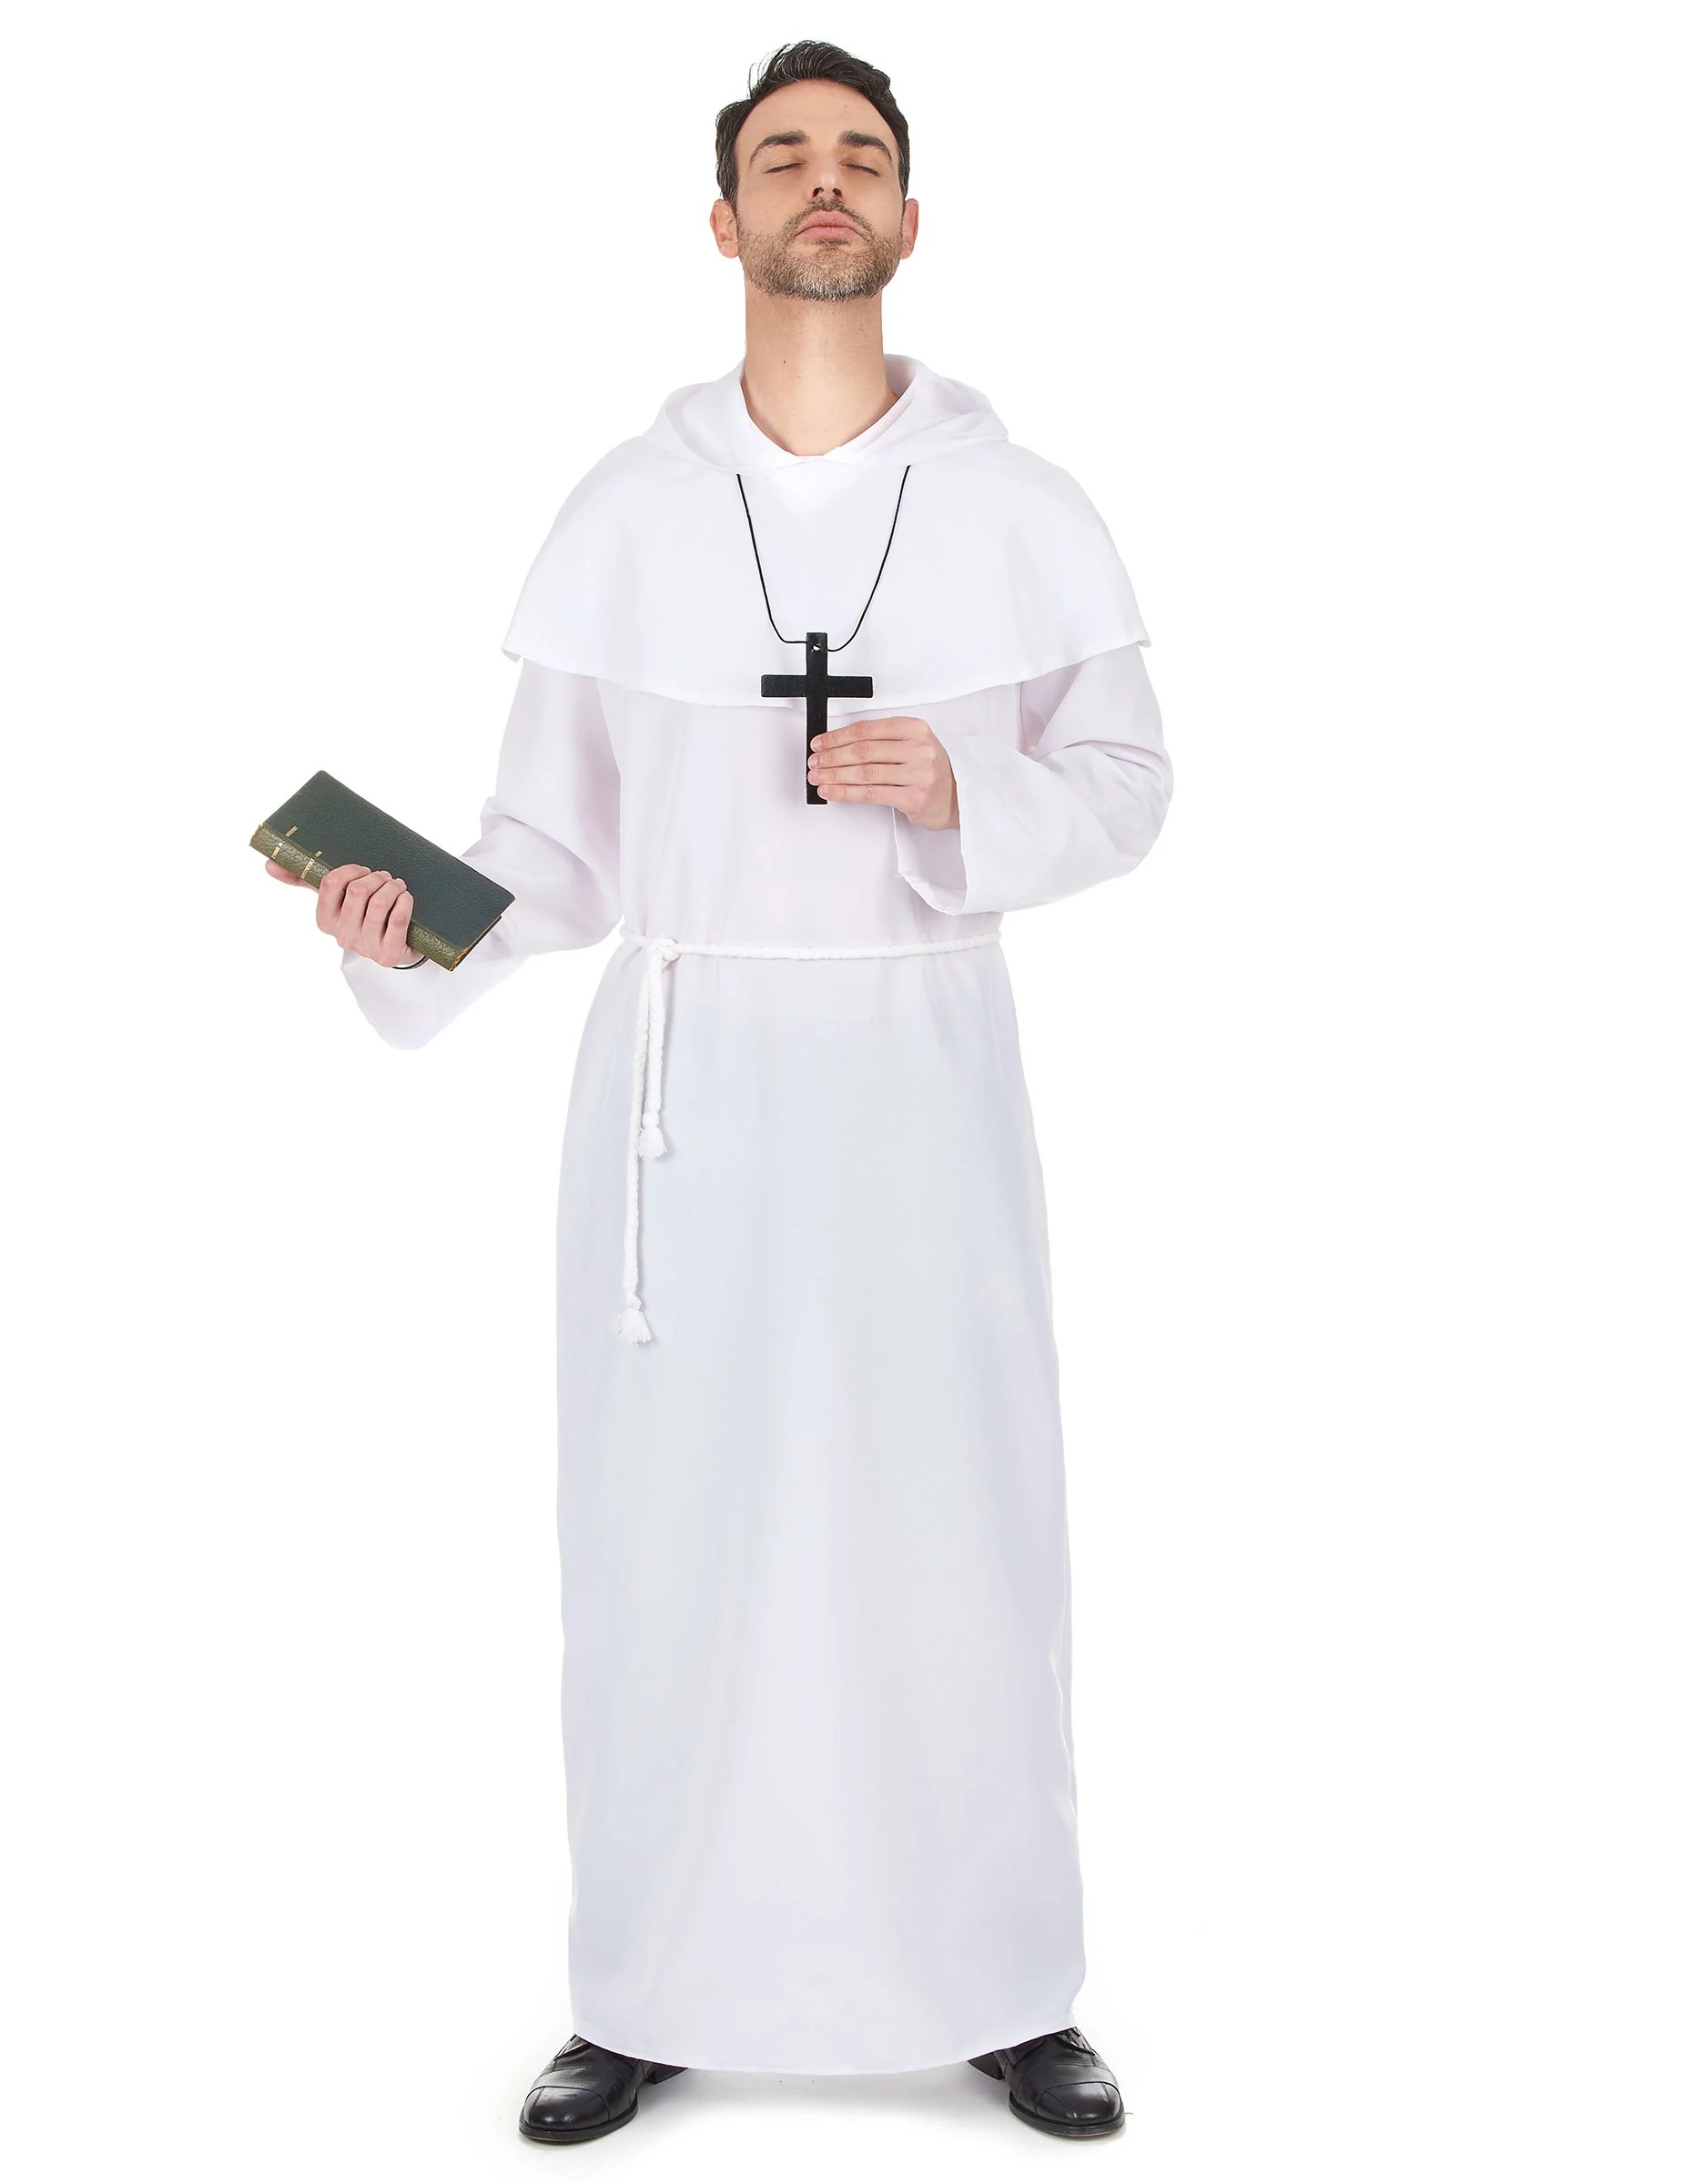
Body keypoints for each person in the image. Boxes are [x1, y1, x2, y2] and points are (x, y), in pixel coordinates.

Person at [267, 39, 1172, 2145]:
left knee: (957, 1529)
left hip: (924, 1068)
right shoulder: (625, 511)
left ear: (912, 218)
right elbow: (552, 851)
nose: (822, 181)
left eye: (859, 156)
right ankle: (650, 1986)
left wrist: (969, 790)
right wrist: (407, 931)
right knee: (667, 1538)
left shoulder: (1025, 507)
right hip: (684, 1100)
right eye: (784, 157)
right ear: (724, 218)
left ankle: (1003, 1985)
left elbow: (1131, 784)